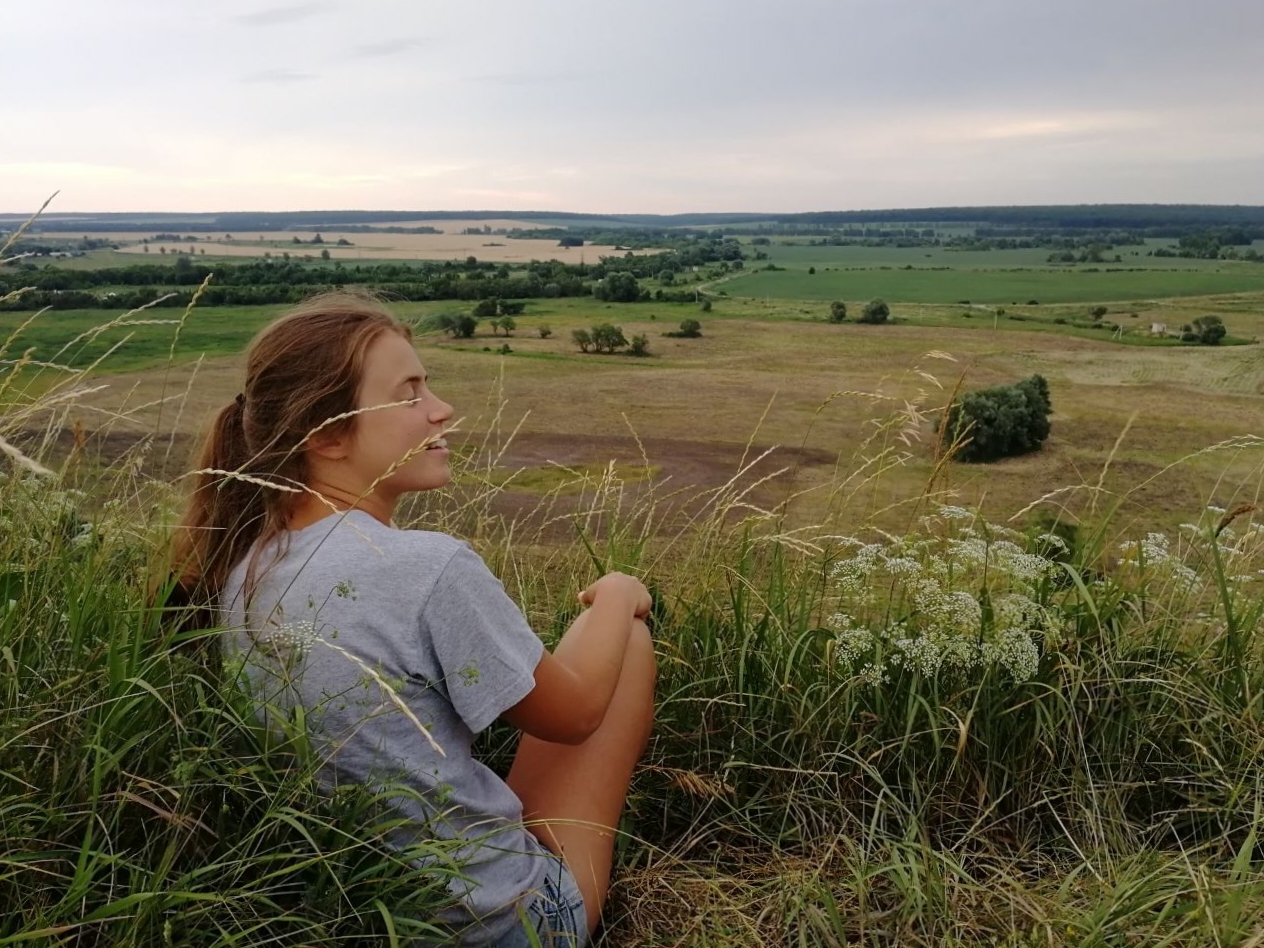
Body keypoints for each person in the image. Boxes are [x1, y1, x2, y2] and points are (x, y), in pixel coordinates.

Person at [169, 290, 656, 946]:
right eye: (409, 393)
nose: (441, 409)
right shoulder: (426, 567)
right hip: (501, 930)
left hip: (348, 914)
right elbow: (574, 717)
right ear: (327, 434)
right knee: (621, 642)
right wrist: (620, 592)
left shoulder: (242, 570)